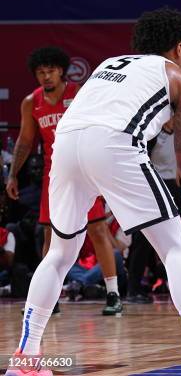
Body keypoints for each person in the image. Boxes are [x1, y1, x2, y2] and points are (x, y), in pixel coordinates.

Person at [4, 8, 181, 376]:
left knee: (58, 253)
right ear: (180, 46)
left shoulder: (109, 63)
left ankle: (26, 358)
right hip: (114, 143)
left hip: (65, 147)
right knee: (174, 246)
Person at [5, 46, 122, 316]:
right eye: (41, 72)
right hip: (53, 173)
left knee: (97, 229)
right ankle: (50, 297)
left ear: (61, 71)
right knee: (50, 233)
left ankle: (113, 294)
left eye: (51, 71)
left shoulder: (79, 93)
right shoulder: (30, 102)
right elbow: (24, 141)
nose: (46, 77)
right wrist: (12, 174)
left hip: (83, 168)